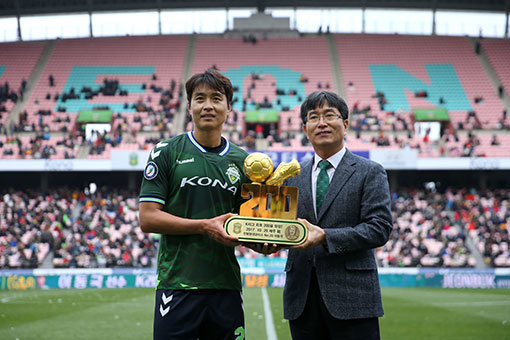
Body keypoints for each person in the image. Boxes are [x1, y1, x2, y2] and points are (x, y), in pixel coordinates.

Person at [138, 69, 249, 340]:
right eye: (200, 98)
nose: (208, 105)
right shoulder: (166, 152)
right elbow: (148, 219)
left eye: (216, 98)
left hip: (225, 286)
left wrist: (267, 240)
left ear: (228, 106)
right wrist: (204, 226)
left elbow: (246, 224)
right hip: (177, 286)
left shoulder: (243, 161)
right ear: (189, 107)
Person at [283, 91, 393, 340]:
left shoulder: (370, 172)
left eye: (329, 115)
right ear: (305, 128)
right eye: (313, 117)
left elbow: (379, 228)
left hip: (354, 299)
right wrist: (265, 240)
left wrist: (325, 237)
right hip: (301, 299)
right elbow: (283, 228)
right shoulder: (291, 175)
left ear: (345, 124)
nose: (321, 122)